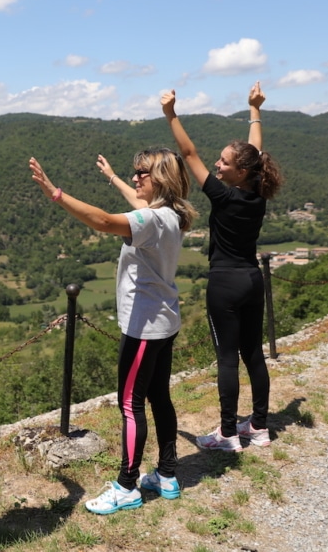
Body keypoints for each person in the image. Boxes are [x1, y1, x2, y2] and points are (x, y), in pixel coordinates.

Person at [29, 148, 197, 515]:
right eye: (133, 172)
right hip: (165, 320)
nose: (135, 177)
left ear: (161, 179)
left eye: (142, 173)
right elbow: (136, 203)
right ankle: (167, 474)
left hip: (143, 327)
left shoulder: (151, 221)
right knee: (160, 398)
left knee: (129, 403)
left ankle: (126, 485)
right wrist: (111, 177)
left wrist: (56, 193)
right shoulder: (170, 214)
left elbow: (104, 221)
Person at [161, 83, 284, 452]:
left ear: (240, 171)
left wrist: (170, 114)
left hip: (225, 284)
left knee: (227, 359)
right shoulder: (257, 192)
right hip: (252, 279)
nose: (217, 165)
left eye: (224, 162)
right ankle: (259, 427)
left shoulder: (223, 195)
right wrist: (254, 110)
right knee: (253, 355)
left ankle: (228, 434)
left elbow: (187, 152)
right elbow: (257, 152)